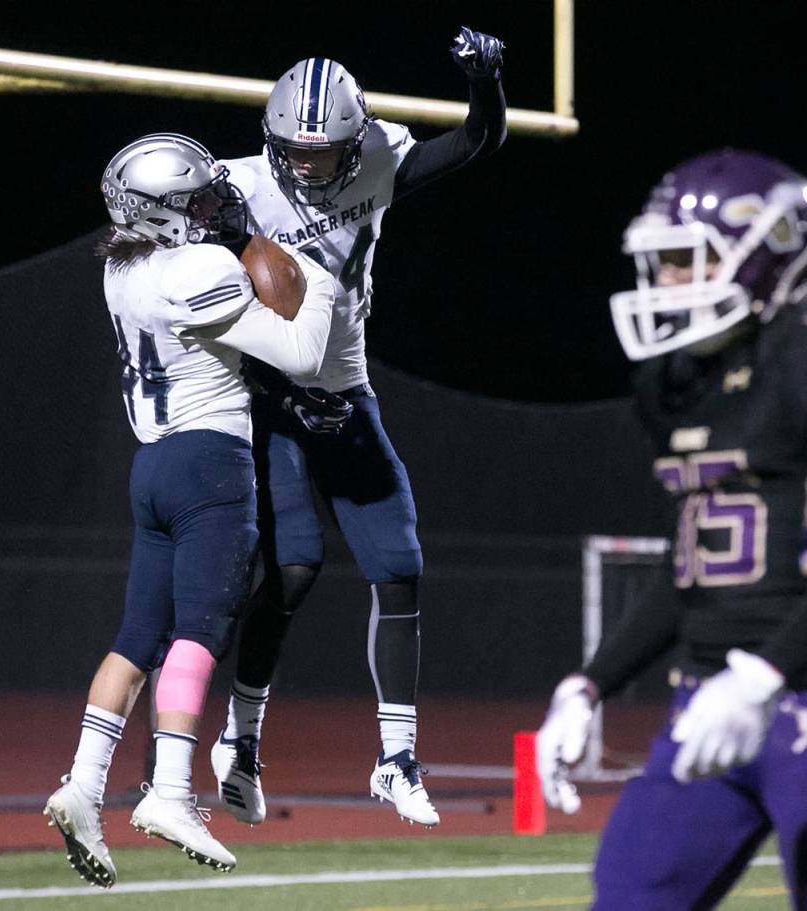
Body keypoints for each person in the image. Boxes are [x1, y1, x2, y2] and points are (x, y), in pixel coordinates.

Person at [536, 149, 807, 910]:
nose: (665, 282)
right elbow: (695, 570)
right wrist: (587, 686)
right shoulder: (679, 382)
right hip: (707, 697)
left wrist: (763, 678)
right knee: (632, 891)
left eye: (684, 259)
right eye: (659, 262)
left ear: (767, 251)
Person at [208, 26, 507, 829]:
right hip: (269, 393)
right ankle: (240, 738)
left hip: (344, 385)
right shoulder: (233, 191)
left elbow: (478, 140)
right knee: (295, 566)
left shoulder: (379, 161)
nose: (306, 166)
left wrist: (484, 80)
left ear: (357, 138)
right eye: (293, 151)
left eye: (323, 151)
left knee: (400, 561)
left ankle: (396, 757)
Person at [43, 132, 335, 888]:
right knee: (199, 634)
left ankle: (82, 781)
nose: (212, 204)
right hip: (210, 461)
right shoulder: (201, 267)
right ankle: (170, 789)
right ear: (161, 213)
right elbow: (298, 353)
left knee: (136, 637)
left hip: (152, 464)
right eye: (195, 199)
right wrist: (323, 290)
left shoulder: (120, 267)